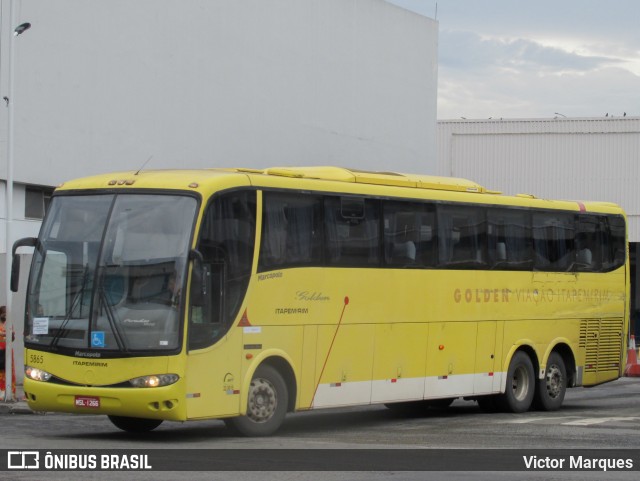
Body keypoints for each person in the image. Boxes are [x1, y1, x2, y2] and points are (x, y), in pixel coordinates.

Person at [0, 305, 16, 399]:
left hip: (7, 350)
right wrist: (4, 333)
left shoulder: (9, 324)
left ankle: (9, 391)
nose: (5, 316)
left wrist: (11, 335)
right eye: (3, 314)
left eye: (6, 314)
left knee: (8, 371)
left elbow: (13, 338)